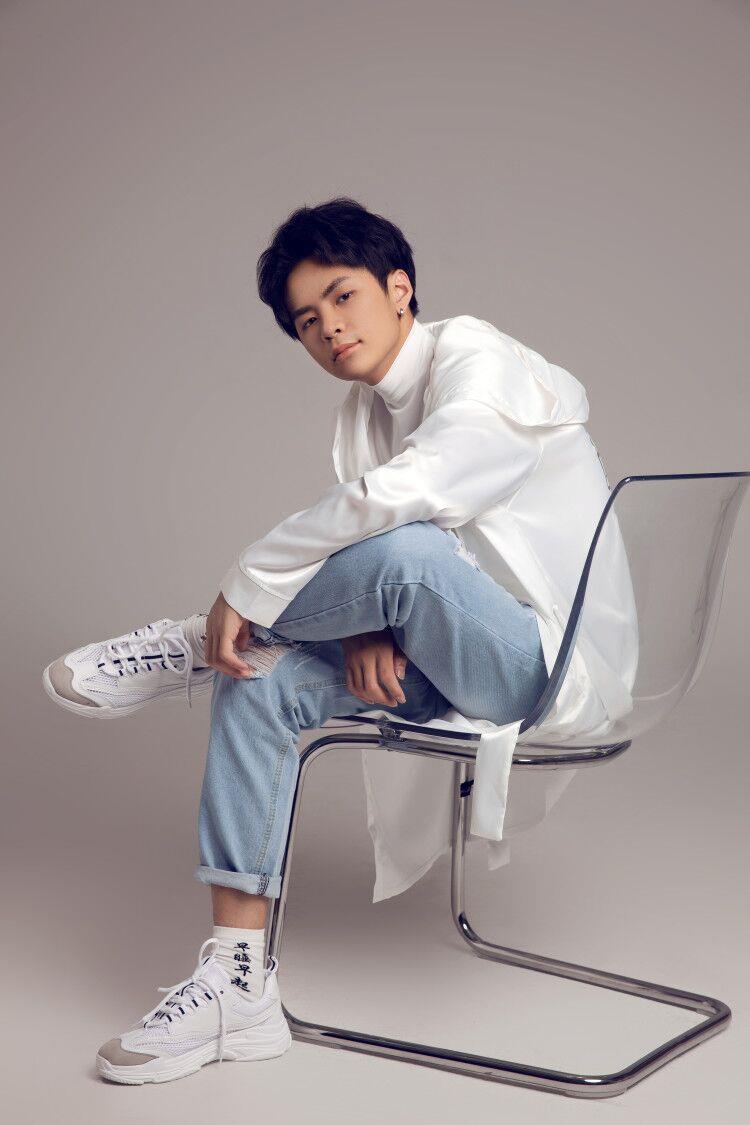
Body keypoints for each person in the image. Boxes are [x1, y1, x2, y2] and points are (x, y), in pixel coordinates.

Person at [42, 196, 612, 1086]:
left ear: (400, 288)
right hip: (441, 653)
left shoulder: (480, 364)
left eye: (343, 297)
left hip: (540, 666)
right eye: (307, 320)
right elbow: (380, 552)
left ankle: (196, 638)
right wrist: (368, 623)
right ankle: (238, 987)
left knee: (385, 564)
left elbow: (416, 507)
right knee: (257, 675)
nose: (330, 328)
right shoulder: (362, 416)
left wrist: (245, 584)